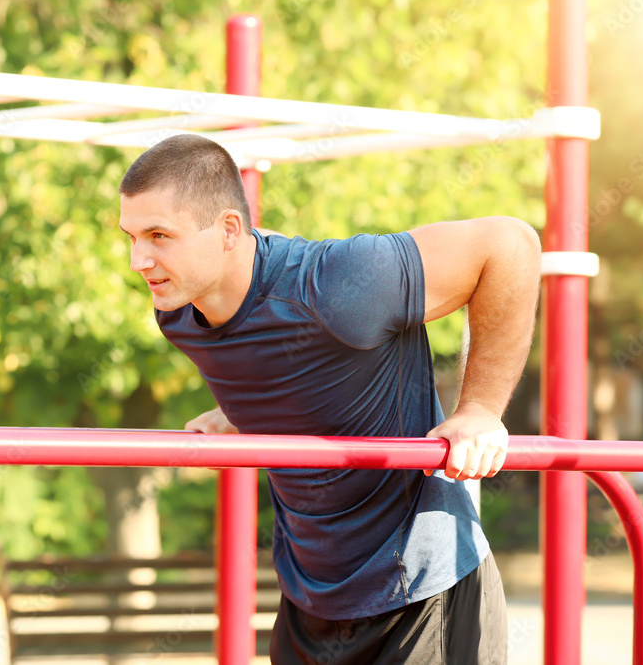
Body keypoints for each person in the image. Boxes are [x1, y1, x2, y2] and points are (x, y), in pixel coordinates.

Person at [118, 134, 540, 664]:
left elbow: (510, 244)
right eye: (131, 237)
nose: (139, 260)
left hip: (420, 593)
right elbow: (282, 350)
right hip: (310, 597)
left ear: (228, 230)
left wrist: (479, 409)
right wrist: (244, 413)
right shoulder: (178, 311)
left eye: (159, 235)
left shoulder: (338, 285)